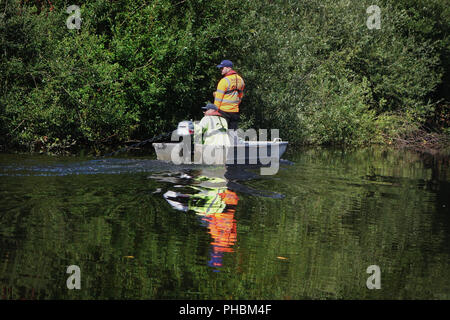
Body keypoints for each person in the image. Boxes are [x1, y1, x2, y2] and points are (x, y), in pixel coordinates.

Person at [211, 60, 245, 130]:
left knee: (222, 134)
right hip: (235, 111)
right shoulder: (240, 80)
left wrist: (215, 111)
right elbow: (240, 96)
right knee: (232, 134)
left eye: (222, 68)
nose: (221, 70)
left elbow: (218, 99)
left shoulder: (224, 81)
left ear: (228, 68)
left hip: (223, 112)